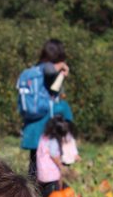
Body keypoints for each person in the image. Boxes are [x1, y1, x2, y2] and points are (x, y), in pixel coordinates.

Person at [20, 39, 73, 182]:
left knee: (35, 160)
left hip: (32, 122)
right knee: (49, 156)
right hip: (45, 121)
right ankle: (47, 192)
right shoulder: (47, 68)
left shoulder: (33, 70)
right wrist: (62, 66)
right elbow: (49, 69)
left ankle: (30, 192)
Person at [36, 114, 73, 197]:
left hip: (42, 171)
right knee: (53, 195)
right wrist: (60, 165)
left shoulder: (43, 137)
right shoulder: (53, 141)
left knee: (45, 192)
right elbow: (54, 155)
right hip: (51, 173)